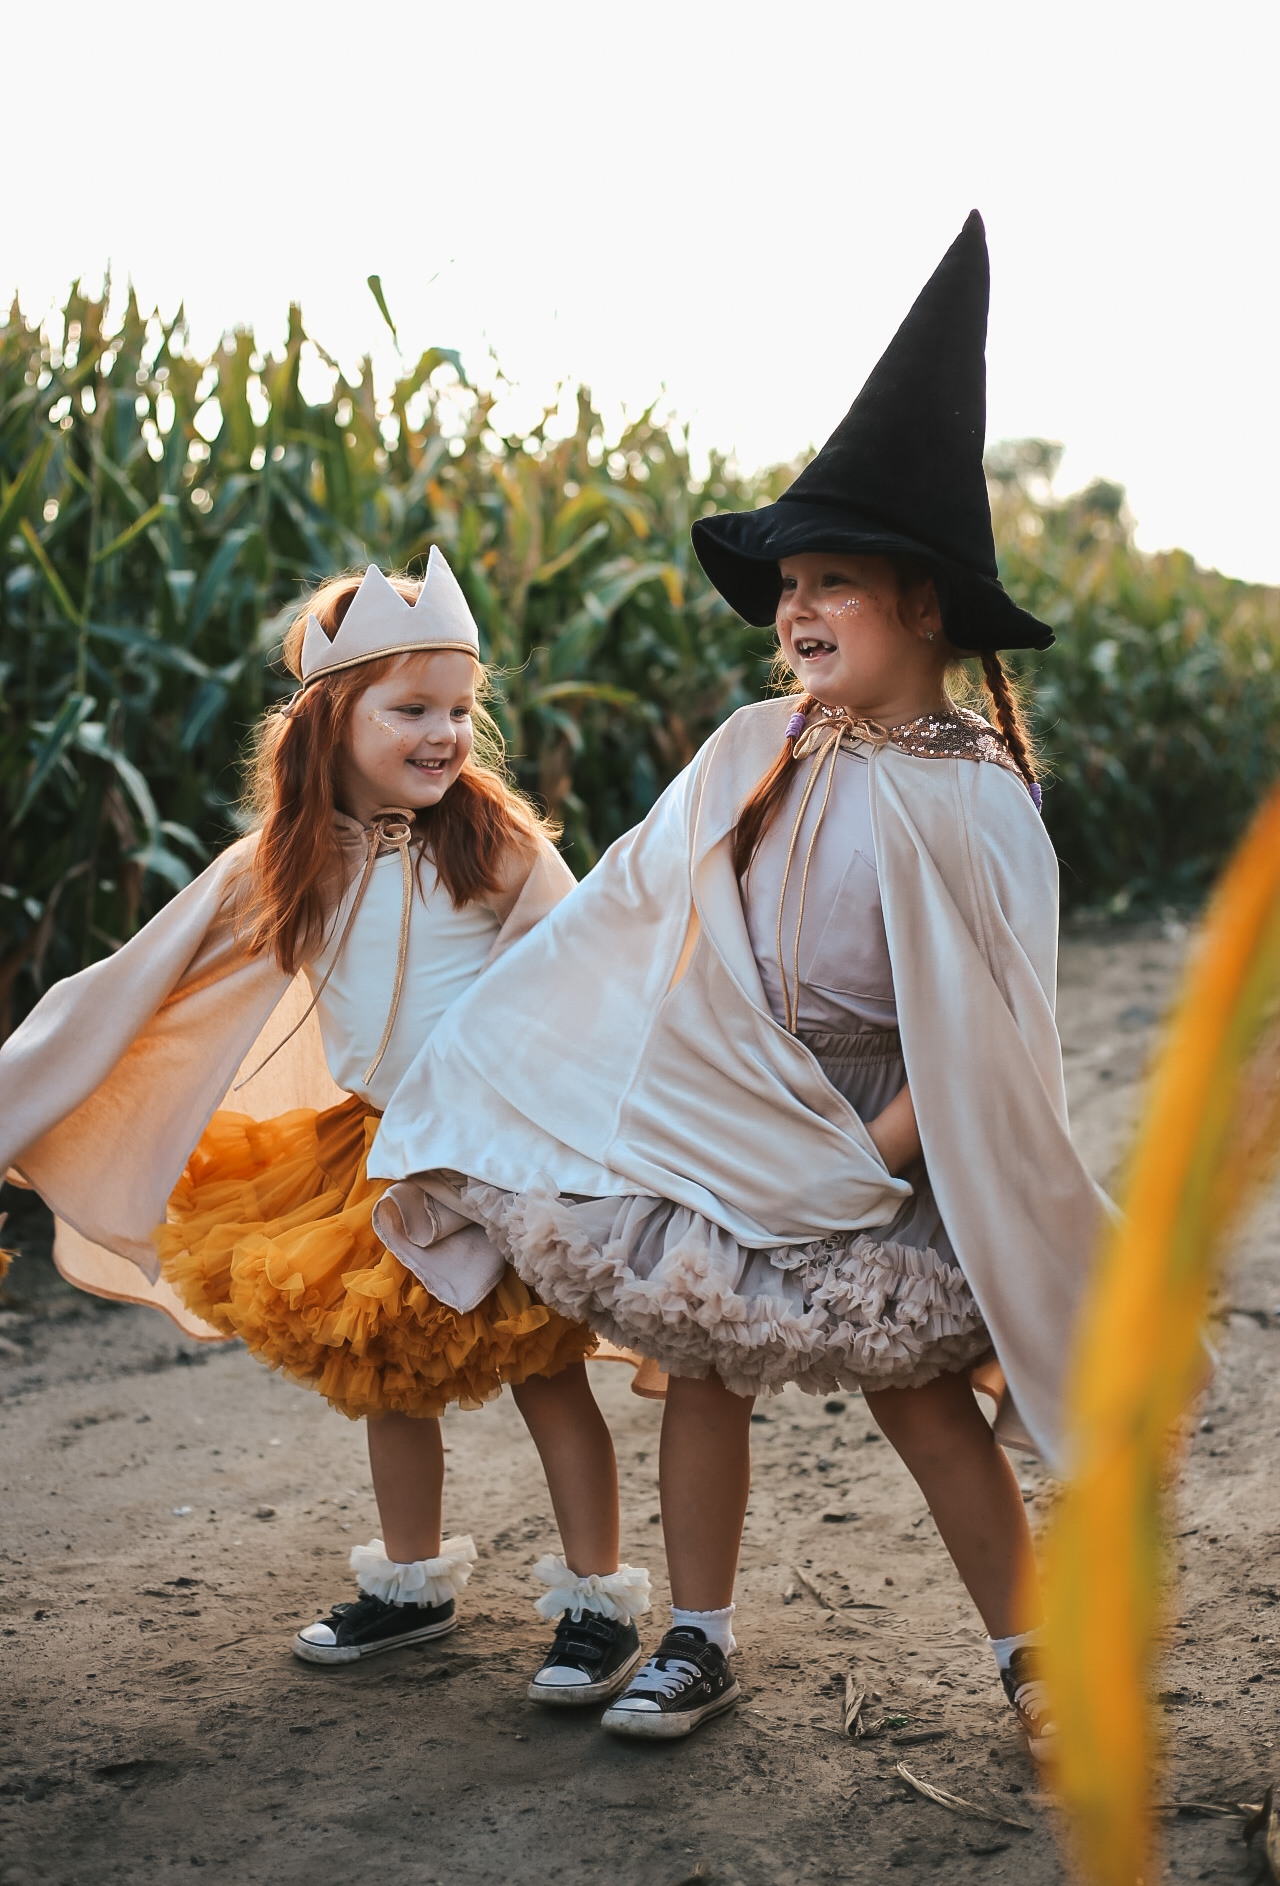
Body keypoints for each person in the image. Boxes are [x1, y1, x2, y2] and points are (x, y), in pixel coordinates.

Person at [368, 214, 1110, 1757]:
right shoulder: (755, 750)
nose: (797, 609)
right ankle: (695, 1637)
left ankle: (1035, 1655)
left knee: (922, 1399)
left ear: (926, 603)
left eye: (835, 579)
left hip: (890, 1130)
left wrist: (865, 1155)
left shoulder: (980, 796)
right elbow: (626, 917)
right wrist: (498, 1050)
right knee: (699, 1366)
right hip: (733, 1106)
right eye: (788, 584)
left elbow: (988, 1037)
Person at [0, 554, 649, 1699]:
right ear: (328, 720)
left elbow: (580, 973)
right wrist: (30, 1095)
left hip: (500, 1154)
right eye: (413, 710)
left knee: (548, 1375)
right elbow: (142, 985)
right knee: (385, 1370)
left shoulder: (492, 840)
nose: (446, 735)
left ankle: (596, 1602)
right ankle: (409, 1584)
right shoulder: (280, 862)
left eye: (461, 710)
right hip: (373, 1154)